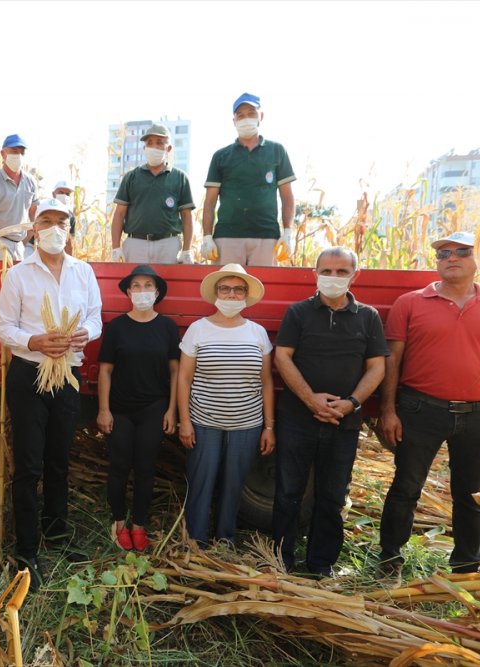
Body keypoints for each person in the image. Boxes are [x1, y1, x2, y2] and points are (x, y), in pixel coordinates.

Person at [377, 231, 480, 575]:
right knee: (405, 487)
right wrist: (387, 411)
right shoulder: (411, 303)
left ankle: (466, 568)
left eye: (462, 251)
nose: (452, 257)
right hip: (420, 410)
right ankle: (389, 559)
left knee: (473, 497)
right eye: (443, 253)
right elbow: (392, 360)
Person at [0, 198, 102, 590]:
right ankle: (26, 549)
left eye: (62, 222)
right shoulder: (18, 275)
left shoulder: (83, 272)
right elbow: (5, 329)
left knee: (59, 459)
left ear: (69, 229)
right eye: (47, 221)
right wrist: (35, 341)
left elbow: (95, 316)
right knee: (29, 466)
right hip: (29, 375)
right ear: (34, 227)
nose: (55, 228)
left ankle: (57, 534)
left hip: (67, 375)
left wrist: (83, 334)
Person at [272, 247, 387, 577]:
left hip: (344, 423)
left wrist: (350, 403)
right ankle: (281, 560)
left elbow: (377, 367)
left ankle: (321, 565)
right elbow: (283, 357)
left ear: (355, 275)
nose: (333, 277)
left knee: (333, 496)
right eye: (326, 271)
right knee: (288, 493)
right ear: (315, 273)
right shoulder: (298, 313)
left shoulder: (368, 317)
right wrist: (310, 400)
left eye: (341, 271)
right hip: (297, 419)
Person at [177, 264, 275, 547]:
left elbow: (266, 381)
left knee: (234, 486)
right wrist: (185, 421)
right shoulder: (198, 329)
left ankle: (225, 539)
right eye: (225, 289)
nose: (231, 295)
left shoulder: (257, 333)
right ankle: (196, 541)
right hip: (204, 422)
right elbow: (184, 379)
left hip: (247, 423)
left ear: (245, 295)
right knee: (201, 484)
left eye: (238, 289)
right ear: (216, 293)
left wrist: (269, 426)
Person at [97, 265, 179, 552]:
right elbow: (105, 370)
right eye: (136, 286)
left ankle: (139, 525)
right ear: (128, 292)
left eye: (148, 286)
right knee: (119, 466)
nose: (142, 290)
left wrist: (171, 410)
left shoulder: (167, 327)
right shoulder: (117, 326)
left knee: (145, 467)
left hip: (153, 408)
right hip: (120, 408)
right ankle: (119, 522)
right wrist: (103, 409)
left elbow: (175, 370)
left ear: (157, 292)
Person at [201, 93, 296, 266]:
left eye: (251, 113)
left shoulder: (277, 151)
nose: (246, 119)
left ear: (261, 116)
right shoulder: (221, 156)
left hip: (267, 236)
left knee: (263, 290)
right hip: (227, 236)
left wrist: (288, 232)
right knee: (226, 290)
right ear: (234, 121)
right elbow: (210, 201)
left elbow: (287, 197)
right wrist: (207, 236)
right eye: (241, 115)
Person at [110, 124, 195, 265]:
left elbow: (187, 216)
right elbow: (119, 214)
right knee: (137, 284)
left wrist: (186, 250)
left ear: (169, 148)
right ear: (144, 148)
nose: (154, 147)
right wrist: (116, 247)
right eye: (149, 143)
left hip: (169, 244)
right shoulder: (131, 177)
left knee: (169, 286)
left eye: (159, 143)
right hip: (136, 243)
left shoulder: (180, 177)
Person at [24, 179, 77, 257]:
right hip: (32, 246)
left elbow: (69, 242)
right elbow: (30, 230)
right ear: (53, 193)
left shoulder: (71, 217)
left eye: (67, 194)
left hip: (56, 248)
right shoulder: (41, 209)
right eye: (61, 192)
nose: (64, 196)